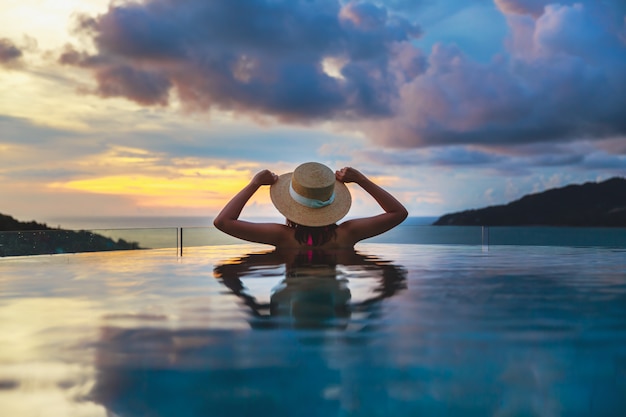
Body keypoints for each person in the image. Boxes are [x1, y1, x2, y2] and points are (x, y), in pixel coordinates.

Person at [213, 162, 408, 249]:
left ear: (291, 205)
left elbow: (223, 222)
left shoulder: (282, 237)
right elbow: (398, 213)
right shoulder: (347, 234)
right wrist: (361, 180)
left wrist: (254, 184)